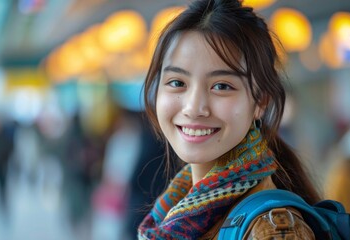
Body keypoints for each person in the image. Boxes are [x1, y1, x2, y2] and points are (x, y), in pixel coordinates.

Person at [137, 0, 320, 239]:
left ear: (261, 102)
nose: (194, 108)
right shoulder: (175, 210)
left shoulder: (274, 232)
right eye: (177, 83)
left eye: (221, 86)